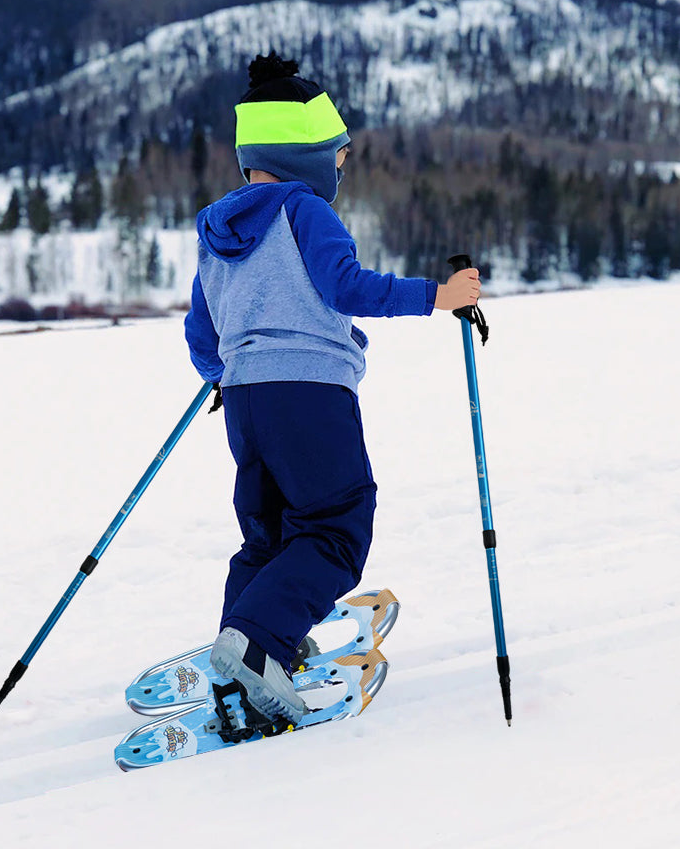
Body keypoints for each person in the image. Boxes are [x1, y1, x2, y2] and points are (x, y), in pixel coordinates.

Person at [184, 52, 480, 723]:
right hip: (310, 393)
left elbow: (202, 331)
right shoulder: (304, 209)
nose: (342, 168)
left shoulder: (215, 228)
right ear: (306, 155)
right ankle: (259, 644)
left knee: (268, 534)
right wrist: (437, 296)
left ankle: (248, 650)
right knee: (336, 524)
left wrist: (219, 377)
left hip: (246, 399)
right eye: (338, 156)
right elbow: (347, 287)